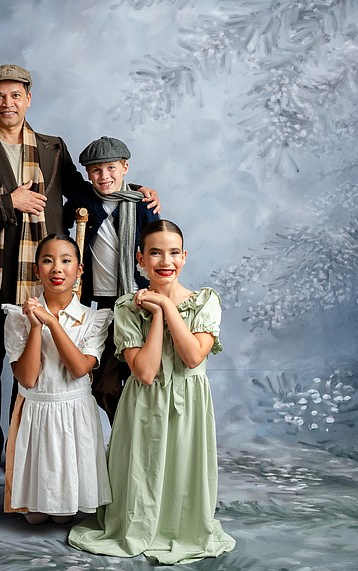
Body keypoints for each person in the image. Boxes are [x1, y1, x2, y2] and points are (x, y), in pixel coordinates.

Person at [0, 63, 159, 471]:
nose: (7, 103)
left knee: (37, 367)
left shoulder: (52, 147)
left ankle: (22, 454)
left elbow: (86, 192)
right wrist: (9, 202)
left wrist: (135, 192)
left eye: (15, 95)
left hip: (45, 279)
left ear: (28, 97)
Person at [68, 220, 236, 564]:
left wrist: (167, 306)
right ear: (140, 259)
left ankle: (178, 526)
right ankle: (139, 523)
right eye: (155, 253)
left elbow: (191, 357)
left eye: (174, 252)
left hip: (188, 402)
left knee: (183, 469)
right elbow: (144, 372)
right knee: (141, 469)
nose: (165, 261)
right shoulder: (126, 307)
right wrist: (157, 315)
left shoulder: (205, 302)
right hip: (144, 403)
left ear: (185, 257)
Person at [2, 234, 112, 525]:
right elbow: (26, 377)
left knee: (65, 515)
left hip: (74, 413)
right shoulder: (17, 317)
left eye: (66, 261)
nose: (57, 269)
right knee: (35, 516)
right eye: (47, 261)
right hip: (36, 412)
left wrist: (52, 321)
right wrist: (36, 326)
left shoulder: (94, 319)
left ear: (80, 269)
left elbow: (79, 369)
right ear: (36, 270)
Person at [74, 136, 160, 423]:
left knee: (141, 376)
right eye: (96, 170)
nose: (104, 176)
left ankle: (139, 435)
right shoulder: (83, 200)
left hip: (137, 300)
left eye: (111, 168)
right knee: (104, 385)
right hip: (102, 304)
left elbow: (157, 254)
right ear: (88, 174)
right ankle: (127, 432)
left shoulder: (143, 205)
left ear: (125, 167)